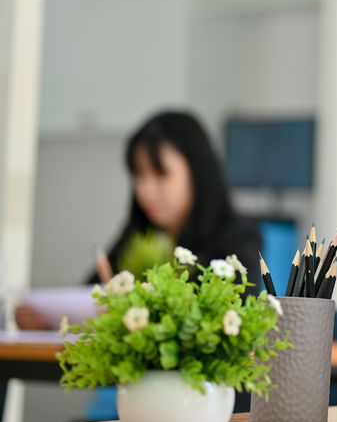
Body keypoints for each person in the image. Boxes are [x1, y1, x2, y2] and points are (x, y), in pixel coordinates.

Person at [16, 110, 261, 330]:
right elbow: (88, 296)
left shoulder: (238, 239)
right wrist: (48, 319)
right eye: (139, 174)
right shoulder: (140, 236)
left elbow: (225, 318)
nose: (145, 190)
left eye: (160, 174)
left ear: (197, 172)